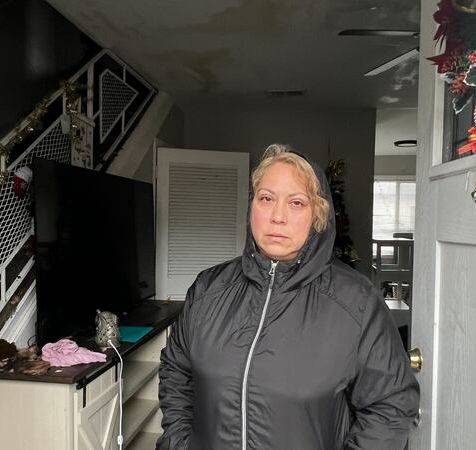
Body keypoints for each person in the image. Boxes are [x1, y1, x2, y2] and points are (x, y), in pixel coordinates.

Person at [157, 144, 420, 450]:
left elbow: (391, 407)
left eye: (296, 203)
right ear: (251, 206)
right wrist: (180, 443)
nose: (277, 216)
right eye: (266, 198)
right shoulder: (207, 290)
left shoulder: (357, 303)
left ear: (318, 216)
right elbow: (177, 373)